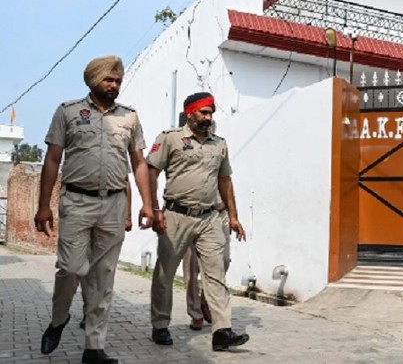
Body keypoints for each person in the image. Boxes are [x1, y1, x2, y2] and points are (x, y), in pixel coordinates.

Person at [34, 55, 154, 364]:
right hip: (76, 202)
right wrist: (43, 206)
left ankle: (94, 347)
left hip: (113, 204)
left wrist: (147, 204)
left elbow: (139, 163)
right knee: (71, 269)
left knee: (103, 278)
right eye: (108, 80)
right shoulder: (68, 111)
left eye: (118, 81)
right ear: (93, 80)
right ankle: (59, 319)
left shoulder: (129, 117)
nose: (114, 85)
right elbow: (52, 159)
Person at [147, 91, 249, 352]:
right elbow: (151, 172)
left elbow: (225, 181)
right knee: (165, 273)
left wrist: (233, 217)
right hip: (176, 216)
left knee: (216, 273)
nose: (208, 117)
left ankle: (222, 331)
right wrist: (154, 209)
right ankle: (160, 325)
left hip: (209, 218)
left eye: (211, 113)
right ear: (190, 113)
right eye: (203, 112)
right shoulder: (170, 138)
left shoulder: (219, 144)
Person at [80, 181, 134, 330]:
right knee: (85, 268)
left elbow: (126, 184)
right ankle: (88, 308)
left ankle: (96, 315)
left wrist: (128, 216)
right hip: (84, 213)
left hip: (110, 216)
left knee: (104, 269)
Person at [182, 199, 231, 330]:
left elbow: (228, 189)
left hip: (220, 213)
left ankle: (205, 302)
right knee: (191, 267)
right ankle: (195, 312)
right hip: (194, 215)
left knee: (224, 262)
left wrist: (233, 215)